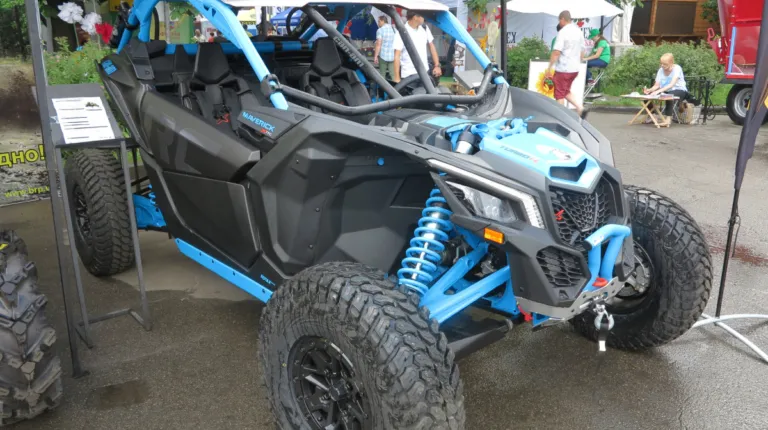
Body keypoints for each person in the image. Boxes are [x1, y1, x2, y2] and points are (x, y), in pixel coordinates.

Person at [545, 10, 587, 118]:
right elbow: (583, 50)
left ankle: (562, 117)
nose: (559, 23)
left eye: (559, 20)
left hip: (563, 68)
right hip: (575, 68)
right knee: (565, 91)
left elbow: (556, 52)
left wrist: (549, 68)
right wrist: (578, 61)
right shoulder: (578, 31)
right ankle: (580, 108)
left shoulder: (563, 32)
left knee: (559, 94)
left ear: (563, 19)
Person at [393, 11, 442, 83]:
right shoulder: (402, 32)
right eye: (422, 16)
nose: (424, 18)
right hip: (409, 75)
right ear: (415, 17)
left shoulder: (424, 28)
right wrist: (397, 78)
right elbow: (397, 55)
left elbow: (432, 47)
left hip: (425, 73)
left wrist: (437, 65)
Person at [643, 53, 688, 125]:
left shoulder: (677, 68)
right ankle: (653, 116)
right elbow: (657, 85)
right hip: (665, 90)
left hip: (679, 89)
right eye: (661, 63)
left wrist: (658, 91)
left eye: (665, 64)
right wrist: (650, 90)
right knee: (646, 96)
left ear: (671, 63)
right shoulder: (661, 70)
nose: (662, 65)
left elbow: (671, 84)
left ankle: (668, 119)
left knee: (668, 96)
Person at [374, 15, 396, 80]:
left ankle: (383, 86)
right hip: (392, 56)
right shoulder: (394, 29)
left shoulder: (380, 30)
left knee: (382, 75)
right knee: (393, 74)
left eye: (379, 21)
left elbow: (378, 44)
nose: (378, 23)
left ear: (383, 21)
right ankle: (395, 85)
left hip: (383, 56)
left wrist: (375, 56)